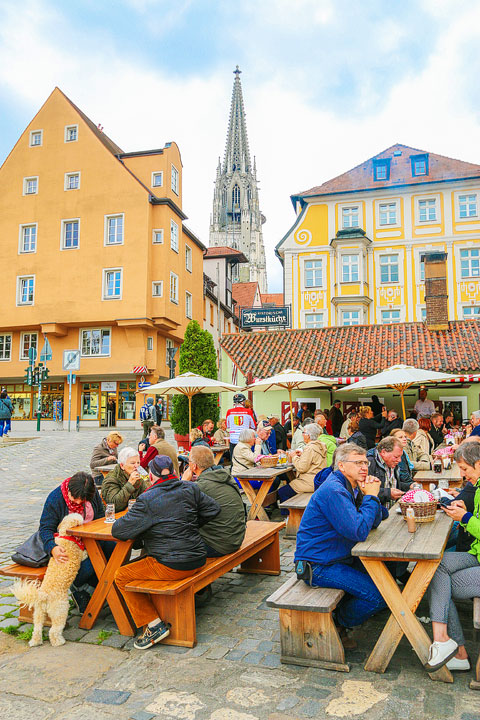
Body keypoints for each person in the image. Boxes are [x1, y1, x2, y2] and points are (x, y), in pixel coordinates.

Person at [113, 455, 221, 649]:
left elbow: (118, 530)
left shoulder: (147, 498)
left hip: (173, 564)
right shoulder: (190, 488)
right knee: (145, 561)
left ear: (152, 476)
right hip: (198, 557)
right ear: (173, 472)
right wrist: (190, 525)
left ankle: (154, 625)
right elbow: (213, 509)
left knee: (120, 575)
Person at [294, 443, 388, 635]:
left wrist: (370, 495)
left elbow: (377, 520)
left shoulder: (351, 487)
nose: (364, 467)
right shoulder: (334, 490)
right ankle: (338, 624)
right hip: (317, 565)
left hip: (339, 556)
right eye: (358, 462)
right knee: (378, 596)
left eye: (365, 463)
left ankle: (343, 616)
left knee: (386, 578)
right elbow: (359, 531)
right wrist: (370, 497)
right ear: (342, 466)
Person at [425, 441, 480, 672]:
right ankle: (445, 642)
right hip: (476, 554)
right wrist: (465, 511)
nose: (462, 475)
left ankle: (455, 649)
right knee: (432, 568)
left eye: (465, 469)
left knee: (438, 585)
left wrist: (465, 518)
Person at [39, 472, 107, 612]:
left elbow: (100, 516)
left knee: (113, 548)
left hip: (90, 540)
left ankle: (98, 589)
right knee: (94, 562)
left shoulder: (92, 496)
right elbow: (45, 528)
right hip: (68, 546)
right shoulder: (55, 498)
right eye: (74, 499)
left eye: (82, 501)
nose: (77, 502)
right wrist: (52, 548)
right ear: (69, 490)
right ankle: (81, 588)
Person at [182, 446, 246, 556]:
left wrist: (184, 482)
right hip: (237, 537)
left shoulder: (200, 487)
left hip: (219, 545)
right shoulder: (225, 476)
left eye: (189, 461)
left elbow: (178, 507)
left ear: (193, 466)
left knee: (173, 541)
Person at [279, 423, 327, 502]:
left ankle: (290, 514)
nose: (302, 435)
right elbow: (313, 459)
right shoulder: (319, 446)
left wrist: (294, 456)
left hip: (309, 482)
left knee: (282, 492)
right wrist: (302, 455)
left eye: (304, 433)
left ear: (308, 435)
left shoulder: (310, 448)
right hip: (317, 480)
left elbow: (301, 468)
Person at [366, 436, 410, 505]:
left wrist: (410, 486)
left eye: (400, 457)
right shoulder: (369, 463)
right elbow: (365, 491)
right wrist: (388, 493)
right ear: (383, 452)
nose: (399, 460)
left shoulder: (391, 463)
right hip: (379, 512)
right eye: (396, 457)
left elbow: (393, 484)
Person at [226, 393, 256, 459]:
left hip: (233, 439)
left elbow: (227, 426)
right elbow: (253, 426)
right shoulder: (248, 411)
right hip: (244, 439)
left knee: (233, 459)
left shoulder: (229, 412)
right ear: (242, 402)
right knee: (245, 459)